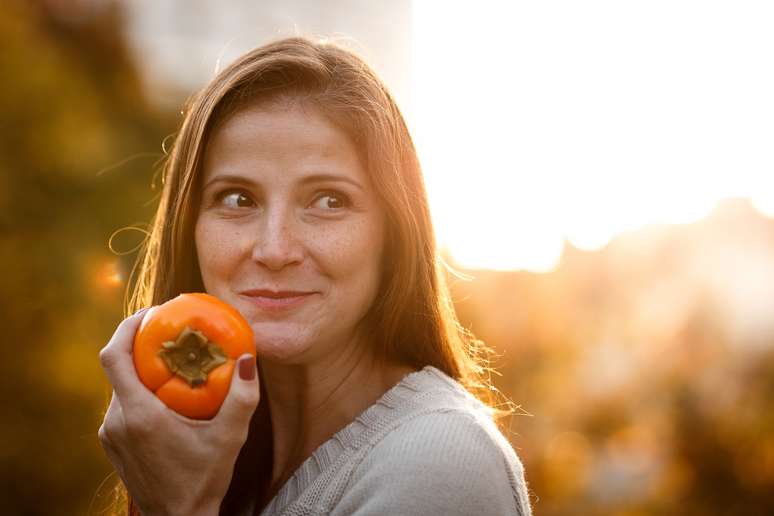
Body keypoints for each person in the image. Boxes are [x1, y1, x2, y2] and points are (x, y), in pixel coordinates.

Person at [98, 36, 532, 516]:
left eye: (328, 201)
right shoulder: (208, 455)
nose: (275, 249)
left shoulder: (438, 466)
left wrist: (180, 509)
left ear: (394, 234)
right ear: (190, 228)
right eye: (238, 199)